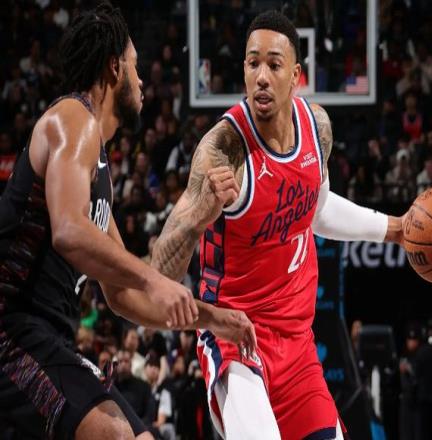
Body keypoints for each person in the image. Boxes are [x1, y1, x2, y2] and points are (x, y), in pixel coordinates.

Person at [0, 3, 255, 439]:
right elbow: (68, 231)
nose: (141, 81)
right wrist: (156, 282)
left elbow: (122, 294)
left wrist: (213, 318)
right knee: (116, 434)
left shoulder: (97, 165)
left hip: (48, 338)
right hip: (11, 332)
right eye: (135, 67)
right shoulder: (73, 119)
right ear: (114, 67)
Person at [152, 10, 407, 440]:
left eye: (273, 64)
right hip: (236, 340)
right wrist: (197, 218)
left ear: (296, 76)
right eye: (253, 63)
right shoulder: (223, 149)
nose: (261, 77)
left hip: (298, 347)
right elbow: (158, 276)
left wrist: (394, 229)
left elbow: (317, 211)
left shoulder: (317, 128)